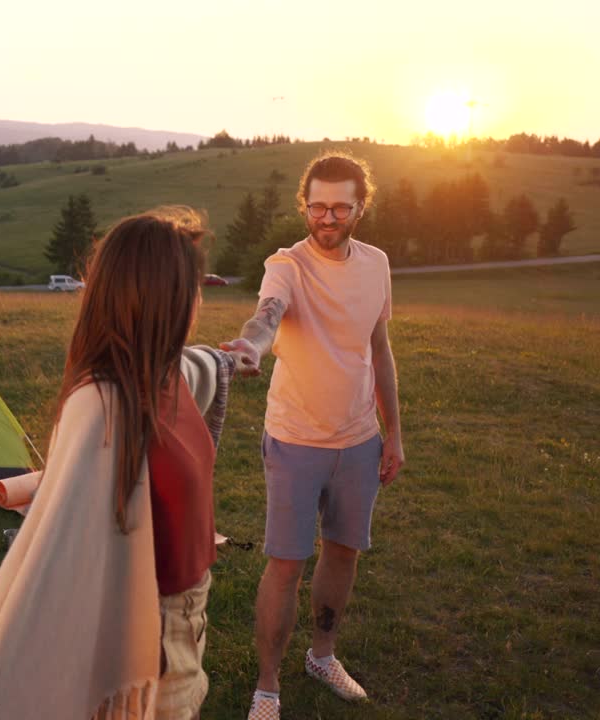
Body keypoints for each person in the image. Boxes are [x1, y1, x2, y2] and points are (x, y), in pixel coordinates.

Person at [0, 206, 235, 720]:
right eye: (192, 287)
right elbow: (62, 556)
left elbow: (204, 364)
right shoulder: (104, 406)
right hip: (147, 638)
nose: (199, 300)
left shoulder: (164, 370)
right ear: (163, 298)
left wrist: (240, 353)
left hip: (188, 615)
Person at [219, 152, 405, 719]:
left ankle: (322, 655)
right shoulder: (287, 264)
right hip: (296, 439)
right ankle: (267, 688)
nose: (327, 218)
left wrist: (392, 433)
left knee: (343, 553)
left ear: (360, 208)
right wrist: (250, 343)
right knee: (286, 562)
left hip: (359, 439)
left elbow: (379, 349)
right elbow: (268, 312)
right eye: (317, 206)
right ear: (305, 205)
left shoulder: (376, 265)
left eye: (339, 207)